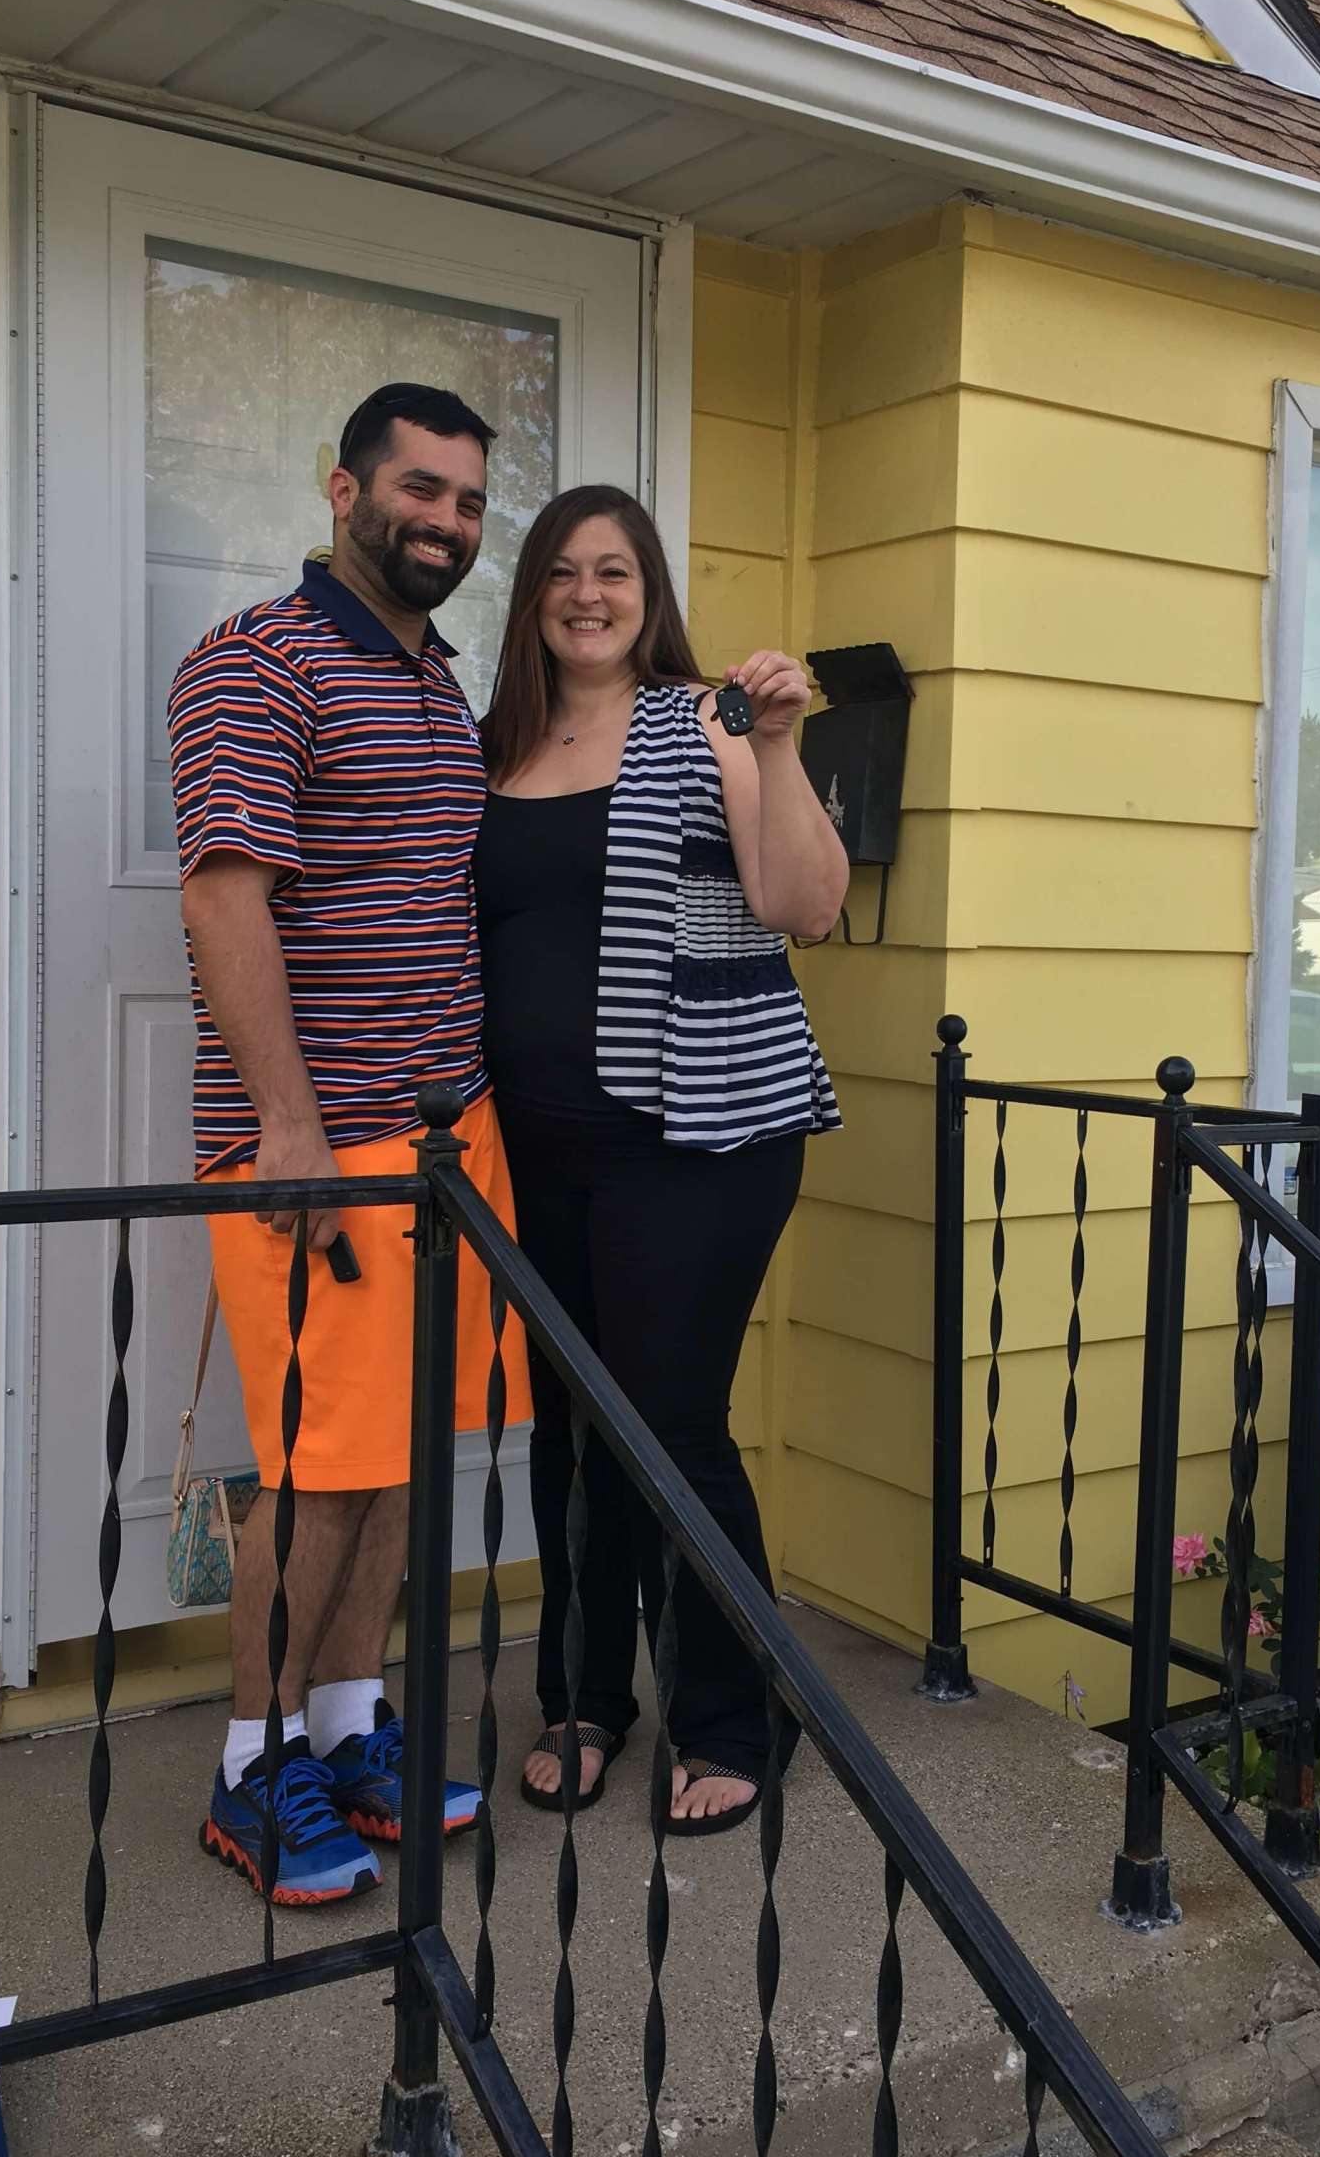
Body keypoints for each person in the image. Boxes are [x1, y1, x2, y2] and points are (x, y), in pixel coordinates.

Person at [167, 382, 531, 1904]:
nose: (445, 521)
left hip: (452, 1140)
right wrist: (294, 1133)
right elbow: (223, 895)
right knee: (319, 1473)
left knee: (400, 1467)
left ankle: (344, 1722)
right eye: (420, 490)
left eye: (466, 501)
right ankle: (253, 1772)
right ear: (342, 489)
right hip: (323, 1152)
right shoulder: (258, 661)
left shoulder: (437, 679)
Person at [473, 485, 847, 1836]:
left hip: (696, 1139)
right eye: (563, 571)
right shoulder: (497, 746)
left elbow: (804, 904)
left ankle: (728, 1716)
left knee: (668, 1426)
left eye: (614, 569)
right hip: (538, 1153)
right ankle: (583, 1699)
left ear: (649, 591)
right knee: (570, 1429)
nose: (589, 592)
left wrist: (787, 744)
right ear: (531, 598)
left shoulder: (710, 723)